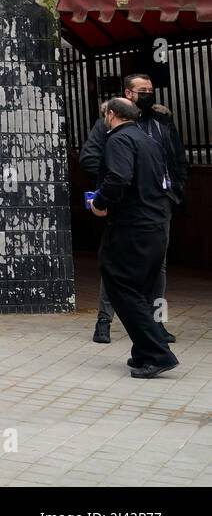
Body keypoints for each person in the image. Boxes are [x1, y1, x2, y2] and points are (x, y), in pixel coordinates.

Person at [80, 73, 185, 344]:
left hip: (159, 204)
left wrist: (174, 192)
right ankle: (104, 320)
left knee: (157, 266)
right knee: (116, 264)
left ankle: (157, 323)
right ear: (128, 93)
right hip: (125, 205)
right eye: (142, 90)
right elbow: (91, 159)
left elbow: (175, 159)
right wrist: (109, 191)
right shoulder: (108, 125)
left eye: (151, 89)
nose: (148, 94)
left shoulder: (162, 123)